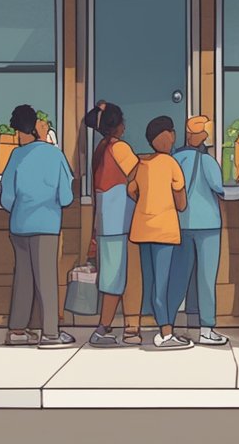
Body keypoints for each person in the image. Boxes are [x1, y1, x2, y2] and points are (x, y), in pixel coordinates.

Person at [0, 104, 76, 349]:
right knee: (46, 280)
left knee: (23, 278)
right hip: (46, 225)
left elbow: (6, 198)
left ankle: (17, 330)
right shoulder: (55, 155)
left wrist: (23, 208)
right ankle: (51, 333)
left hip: (19, 224)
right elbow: (66, 197)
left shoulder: (15, 156)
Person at [128, 116, 190, 350]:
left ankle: (160, 327)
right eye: (172, 133)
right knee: (162, 283)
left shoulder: (142, 164)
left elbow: (131, 189)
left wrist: (145, 202)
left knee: (151, 280)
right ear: (167, 136)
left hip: (143, 230)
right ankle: (165, 332)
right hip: (164, 230)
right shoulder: (172, 164)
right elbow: (182, 203)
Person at [84, 102, 143, 348]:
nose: (125, 125)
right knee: (117, 279)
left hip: (107, 222)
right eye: (122, 121)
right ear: (117, 125)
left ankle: (105, 327)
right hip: (121, 221)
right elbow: (138, 176)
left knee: (112, 277)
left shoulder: (101, 149)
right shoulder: (120, 148)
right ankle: (104, 328)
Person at [169, 115, 228, 346]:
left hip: (181, 224)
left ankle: (169, 325)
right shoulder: (208, 161)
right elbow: (218, 186)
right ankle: (206, 328)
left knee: (178, 276)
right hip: (209, 226)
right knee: (205, 277)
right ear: (204, 136)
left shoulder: (175, 158)